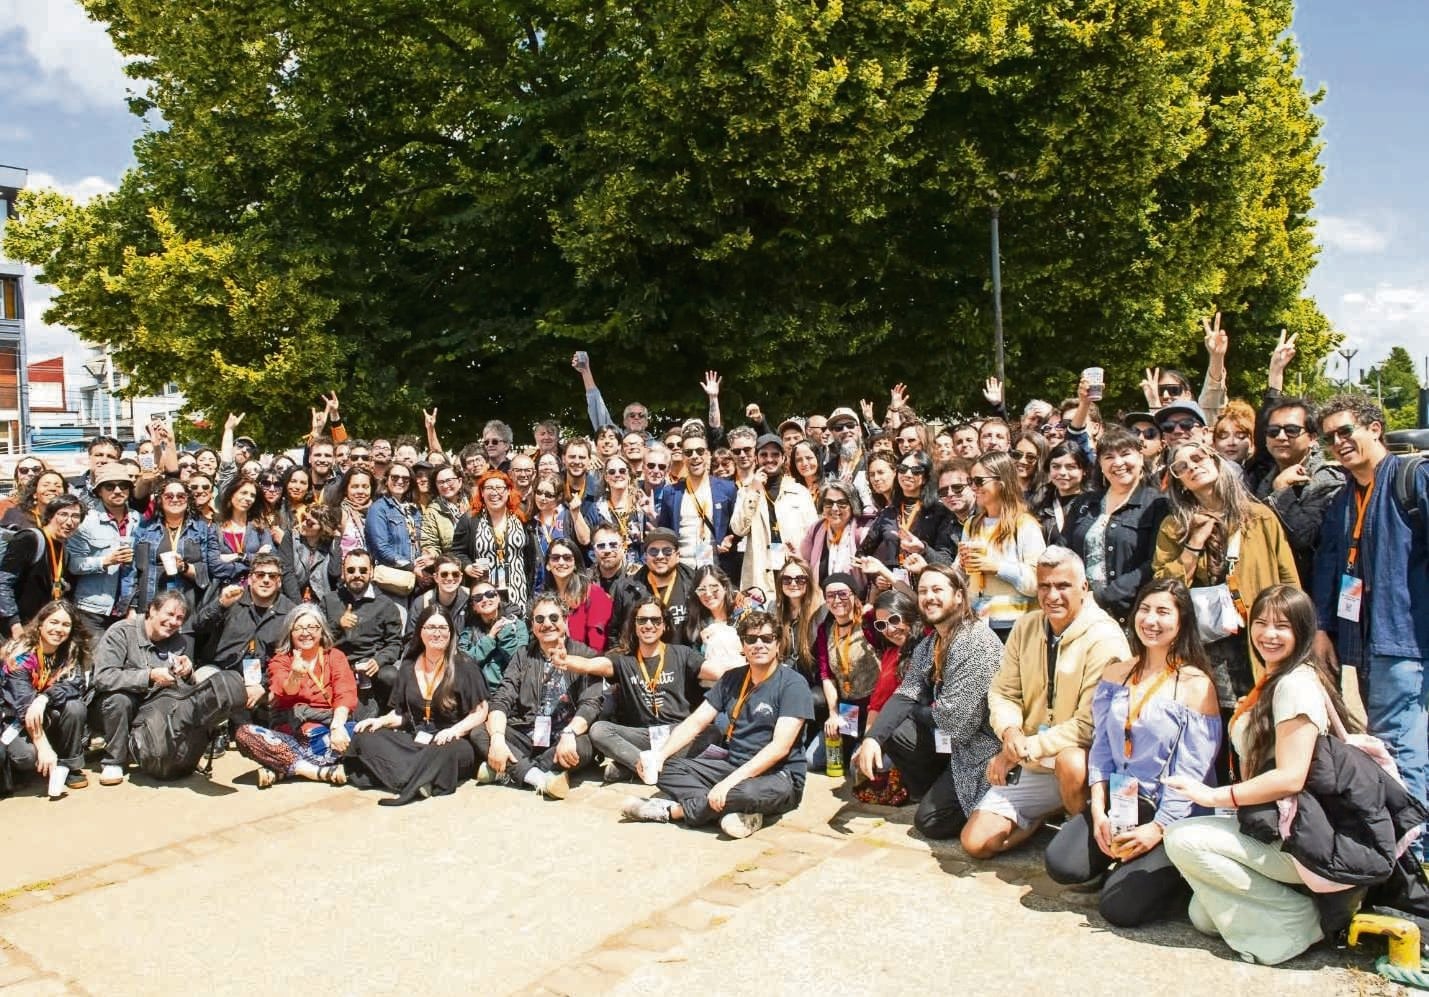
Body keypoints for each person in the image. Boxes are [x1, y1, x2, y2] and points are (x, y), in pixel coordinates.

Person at [1162, 586, 1371, 965]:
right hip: (1277, 826)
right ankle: (1292, 908)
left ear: (1302, 631)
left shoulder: (1295, 686)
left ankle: (1300, 923)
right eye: (1261, 622)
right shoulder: (1274, 678)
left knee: (1181, 838)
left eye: (1282, 626)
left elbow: (1291, 778)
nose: (1268, 634)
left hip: (1303, 840)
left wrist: (1213, 797)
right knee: (1203, 916)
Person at [1044, 579, 1222, 926]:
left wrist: (1157, 829)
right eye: (1145, 609)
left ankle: (1178, 876)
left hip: (1174, 814)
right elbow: (1102, 749)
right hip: (1124, 801)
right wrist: (1099, 811)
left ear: (1182, 621)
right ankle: (1126, 863)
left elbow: (1191, 773)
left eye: (1163, 612)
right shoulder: (1117, 674)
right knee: (1062, 863)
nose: (1151, 620)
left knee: (1119, 909)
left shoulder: (1196, 686)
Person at [961, 548, 1131, 858]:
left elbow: (1089, 725)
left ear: (1084, 587)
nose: (1052, 595)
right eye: (1044, 586)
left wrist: (1021, 750)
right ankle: (1042, 814)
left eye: (1063, 586)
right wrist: (1010, 732)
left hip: (1080, 765)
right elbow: (1003, 691)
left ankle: (1085, 838)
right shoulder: (1026, 626)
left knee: (1072, 762)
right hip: (1032, 760)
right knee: (976, 843)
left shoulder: (1105, 638)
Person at [1313, 395, 1429, 823]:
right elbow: (1329, 566)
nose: (1338, 443)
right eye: (1330, 438)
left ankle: (1415, 850)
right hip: (1364, 642)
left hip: (1404, 637)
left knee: (1397, 747)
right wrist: (1323, 628)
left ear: (1375, 428)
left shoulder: (1412, 477)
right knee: (1397, 740)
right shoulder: (1345, 497)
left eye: (1346, 431)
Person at [621, 610, 815, 839]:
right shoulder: (733, 677)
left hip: (778, 775)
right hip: (733, 764)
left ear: (778, 643)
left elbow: (779, 748)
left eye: (766, 638)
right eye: (751, 639)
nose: (759, 645)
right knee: (668, 769)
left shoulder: (793, 684)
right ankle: (731, 810)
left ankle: (673, 811)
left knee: (747, 793)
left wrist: (728, 784)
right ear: (743, 645)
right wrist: (660, 756)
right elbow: (696, 721)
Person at [853, 566, 1004, 837]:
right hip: (952, 741)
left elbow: (955, 722)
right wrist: (873, 738)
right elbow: (906, 692)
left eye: (937, 590)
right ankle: (936, 790)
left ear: (958, 596)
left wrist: (915, 710)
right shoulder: (932, 642)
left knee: (931, 822)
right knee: (892, 728)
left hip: (983, 748)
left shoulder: (975, 642)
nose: (929, 597)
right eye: (923, 591)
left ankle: (997, 802)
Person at [1153, 439, 1298, 714]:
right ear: (1179, 482)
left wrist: (1294, 631)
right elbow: (1164, 587)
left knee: (1263, 714)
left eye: (1198, 458)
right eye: (1181, 467)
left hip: (1258, 633)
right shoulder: (1174, 527)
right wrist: (1194, 541)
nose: (1192, 467)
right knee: (1215, 718)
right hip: (1208, 642)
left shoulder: (1259, 516)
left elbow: (1287, 579)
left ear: (1216, 461)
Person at [346, 605, 490, 805]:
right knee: (365, 736)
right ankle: (421, 779)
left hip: (451, 742)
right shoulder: (408, 666)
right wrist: (380, 721)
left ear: (451, 632)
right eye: (431, 627)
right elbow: (401, 714)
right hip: (416, 740)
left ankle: (398, 776)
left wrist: (454, 731)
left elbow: (480, 711)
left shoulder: (464, 665)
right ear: (420, 631)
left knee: (443, 752)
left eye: (442, 628)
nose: (437, 633)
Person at [471, 595, 608, 799]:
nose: (547, 624)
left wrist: (569, 733)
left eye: (554, 618)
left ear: (565, 620)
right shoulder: (523, 655)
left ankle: (508, 769)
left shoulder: (585, 655)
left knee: (584, 745)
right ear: (533, 626)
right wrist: (498, 739)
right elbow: (502, 698)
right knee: (480, 732)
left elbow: (590, 704)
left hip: (564, 738)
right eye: (540, 619)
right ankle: (539, 779)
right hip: (527, 734)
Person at [574, 599, 721, 780]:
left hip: (677, 733)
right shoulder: (624, 660)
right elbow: (588, 664)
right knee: (599, 730)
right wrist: (563, 659)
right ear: (634, 626)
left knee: (712, 732)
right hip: (641, 735)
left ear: (664, 625)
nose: (649, 625)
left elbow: (717, 672)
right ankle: (654, 767)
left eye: (655, 620)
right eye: (642, 620)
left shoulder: (683, 654)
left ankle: (633, 768)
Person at [233, 604, 356, 788]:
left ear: (321, 630)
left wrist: (337, 727)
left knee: (364, 732)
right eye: (298, 628)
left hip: (328, 732)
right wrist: (296, 674)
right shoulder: (281, 660)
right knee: (244, 734)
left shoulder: (335, 656)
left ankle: (284, 768)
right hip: (292, 735)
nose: (305, 633)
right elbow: (287, 689)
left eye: (312, 627)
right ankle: (315, 771)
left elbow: (345, 693)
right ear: (290, 633)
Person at [1057, 427, 1169, 627]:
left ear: (1140, 458)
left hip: (1131, 615)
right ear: (1100, 464)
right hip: (1081, 612)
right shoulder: (1084, 503)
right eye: (1109, 457)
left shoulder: (1157, 504)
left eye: (1125, 454)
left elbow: (1154, 563)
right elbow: (1062, 551)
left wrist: (1104, 596)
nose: (1118, 463)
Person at [89, 590, 194, 786]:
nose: (173, 622)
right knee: (120, 699)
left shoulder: (178, 642)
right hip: (108, 709)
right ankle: (114, 761)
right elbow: (103, 677)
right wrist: (149, 676)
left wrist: (187, 672)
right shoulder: (121, 631)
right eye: (170, 614)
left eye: (179, 618)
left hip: (149, 707)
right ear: (152, 610)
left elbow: (181, 688)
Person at [1250, 396, 1344, 594]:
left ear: (1312, 438)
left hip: (1312, 593)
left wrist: (1281, 491)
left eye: (1291, 430)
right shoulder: (1259, 478)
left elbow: (1305, 537)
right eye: (1273, 431)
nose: (1281, 437)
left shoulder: (1326, 480)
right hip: (1270, 590)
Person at [190, 552, 295, 728]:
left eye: (272, 576)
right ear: (250, 578)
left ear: (279, 582)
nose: (266, 580)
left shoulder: (291, 613)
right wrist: (220, 604)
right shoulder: (232, 598)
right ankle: (217, 731)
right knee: (203, 677)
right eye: (260, 575)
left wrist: (264, 685)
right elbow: (199, 625)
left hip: (264, 681)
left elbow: (292, 658)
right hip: (223, 673)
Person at [0, 601, 92, 795]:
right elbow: (23, 706)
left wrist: (44, 698)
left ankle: (69, 765)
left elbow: (74, 685)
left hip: (45, 710)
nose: (59, 629)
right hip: (14, 716)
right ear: (40, 624)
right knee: (26, 758)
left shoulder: (70, 652)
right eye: (53, 622)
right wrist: (42, 746)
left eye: (65, 625)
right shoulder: (20, 656)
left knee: (75, 706)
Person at [960, 451, 1045, 639]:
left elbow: (1037, 582)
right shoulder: (972, 524)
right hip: (976, 622)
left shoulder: (1024, 525)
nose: (973, 487)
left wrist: (997, 567)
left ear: (1002, 481)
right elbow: (962, 576)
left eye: (979, 481)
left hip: (1015, 626)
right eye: (971, 481)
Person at [730, 433, 817, 595]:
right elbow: (738, 529)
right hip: (761, 572)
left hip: (794, 569)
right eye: (764, 454)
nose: (769, 459)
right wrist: (754, 491)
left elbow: (813, 535)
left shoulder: (799, 491)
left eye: (775, 454)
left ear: (783, 458)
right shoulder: (746, 491)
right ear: (756, 458)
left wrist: (804, 561)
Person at [320, 549, 404, 717]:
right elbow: (318, 639)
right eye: (351, 570)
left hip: (371, 667)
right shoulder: (330, 601)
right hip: (338, 666)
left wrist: (379, 660)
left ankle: (388, 716)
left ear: (371, 572)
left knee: (391, 676)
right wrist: (338, 625)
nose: (357, 575)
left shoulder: (386, 605)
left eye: (363, 570)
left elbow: (395, 643)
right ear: (343, 572)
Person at [811, 572, 882, 771]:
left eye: (843, 594)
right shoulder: (825, 630)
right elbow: (826, 675)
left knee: (856, 769)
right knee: (812, 761)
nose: (837, 600)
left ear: (854, 595)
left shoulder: (868, 622)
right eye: (830, 595)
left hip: (873, 707)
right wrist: (833, 713)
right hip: (848, 709)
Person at [65, 463, 140, 638]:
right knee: (95, 656)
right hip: (92, 608)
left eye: (123, 486)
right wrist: (106, 561)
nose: (117, 491)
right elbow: (73, 564)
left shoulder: (138, 519)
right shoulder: (86, 521)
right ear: (99, 491)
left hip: (127, 608)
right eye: (110, 487)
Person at [452, 470, 537, 613]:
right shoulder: (470, 519)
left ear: (508, 491)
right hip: (485, 591)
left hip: (517, 589)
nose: (494, 492)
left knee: (517, 623)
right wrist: (467, 567)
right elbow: (457, 551)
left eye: (499, 488)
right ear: (482, 492)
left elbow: (530, 555)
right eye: (489, 488)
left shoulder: (521, 517)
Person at [0, 495, 84, 638]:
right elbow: (3, 583)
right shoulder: (29, 539)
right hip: (14, 630)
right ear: (50, 516)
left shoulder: (65, 552)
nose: (69, 522)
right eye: (63, 514)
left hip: (40, 630)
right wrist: (14, 624)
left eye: (75, 516)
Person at [656, 427, 738, 574]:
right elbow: (666, 531)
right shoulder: (671, 492)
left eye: (700, 451)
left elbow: (737, 528)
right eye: (689, 452)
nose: (695, 456)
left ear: (708, 455)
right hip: (682, 570)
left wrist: (730, 541)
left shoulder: (728, 489)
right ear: (683, 457)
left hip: (717, 570)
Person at [609, 527, 696, 637]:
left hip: (685, 648)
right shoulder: (626, 589)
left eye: (667, 551)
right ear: (645, 557)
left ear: (678, 556)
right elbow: (614, 634)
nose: (660, 556)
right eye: (653, 551)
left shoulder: (694, 584)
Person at [366, 460, 430, 588]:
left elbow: (421, 541)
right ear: (386, 480)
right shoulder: (378, 508)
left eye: (406, 479)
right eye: (395, 477)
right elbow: (381, 548)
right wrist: (411, 567)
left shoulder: (414, 510)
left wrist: (425, 559)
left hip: (416, 578)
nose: (400, 481)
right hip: (392, 578)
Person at [542, 537, 613, 651]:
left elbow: (597, 645)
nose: (561, 562)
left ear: (575, 564)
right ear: (548, 565)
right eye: (555, 558)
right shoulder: (545, 599)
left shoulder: (594, 594)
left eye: (567, 558)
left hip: (586, 658)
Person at [798, 480, 867, 590]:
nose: (834, 508)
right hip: (820, 598)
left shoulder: (861, 532)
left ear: (852, 505)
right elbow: (804, 564)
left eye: (842, 503)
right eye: (829, 503)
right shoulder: (815, 529)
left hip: (854, 599)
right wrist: (796, 558)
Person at [457, 583, 528, 688]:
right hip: (478, 690)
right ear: (474, 607)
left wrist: (505, 633)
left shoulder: (517, 625)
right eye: (478, 597)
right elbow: (461, 662)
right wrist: (490, 637)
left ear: (498, 598)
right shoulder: (469, 631)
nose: (485, 599)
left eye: (490, 594)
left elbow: (520, 661)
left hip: (511, 689)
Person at [679, 565, 743, 674]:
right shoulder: (696, 624)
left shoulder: (743, 613)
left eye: (713, 588)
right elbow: (694, 664)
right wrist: (703, 647)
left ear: (725, 587)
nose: (708, 594)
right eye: (701, 590)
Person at [420, 463, 467, 556]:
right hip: (452, 561)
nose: (445, 486)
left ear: (460, 481)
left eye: (449, 481)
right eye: (440, 482)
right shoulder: (432, 511)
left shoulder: (473, 504)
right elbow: (430, 544)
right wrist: (430, 555)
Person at [2, 468, 68, 530]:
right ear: (34, 493)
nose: (52, 488)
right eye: (45, 485)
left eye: (58, 486)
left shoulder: (71, 517)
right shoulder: (16, 515)